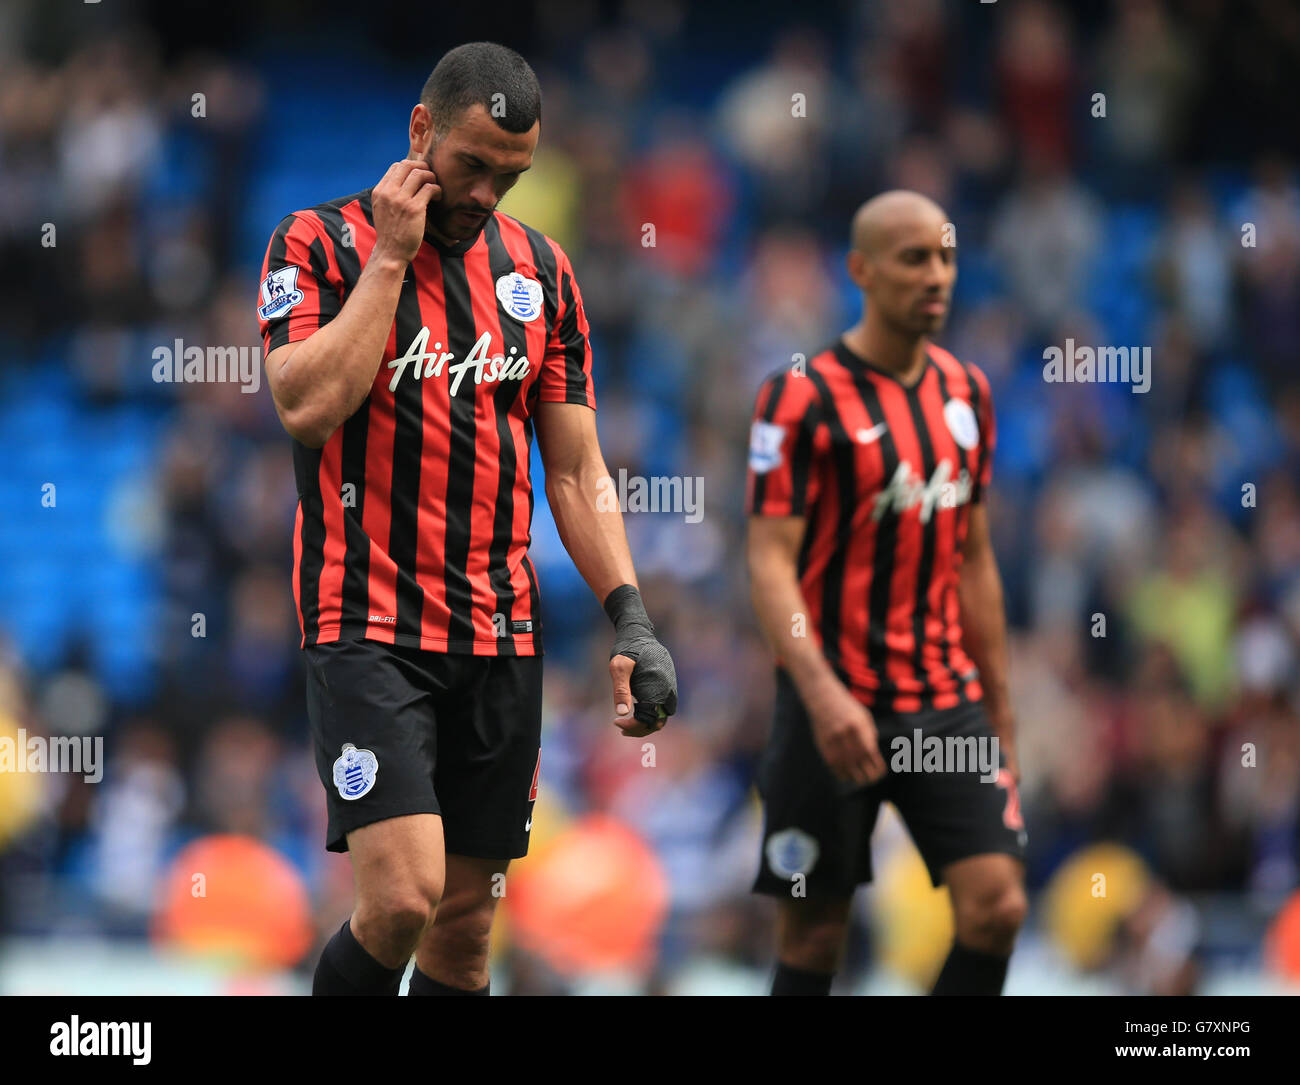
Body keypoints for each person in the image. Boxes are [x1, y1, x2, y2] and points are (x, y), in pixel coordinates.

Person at [256, 42, 677, 996]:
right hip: (368, 627)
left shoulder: (544, 274)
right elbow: (304, 405)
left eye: (511, 175)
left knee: (464, 932)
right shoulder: (314, 244)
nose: (489, 192)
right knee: (403, 897)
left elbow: (574, 469)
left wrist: (632, 615)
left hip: (499, 633)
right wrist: (394, 258)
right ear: (421, 131)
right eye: (472, 164)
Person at [745, 190, 1026, 995]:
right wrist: (824, 694)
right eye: (913, 259)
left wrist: (999, 707)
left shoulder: (968, 392)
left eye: (945, 256)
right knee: (815, 930)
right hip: (830, 700)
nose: (936, 275)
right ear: (861, 270)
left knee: (997, 905)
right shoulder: (800, 395)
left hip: (943, 695)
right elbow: (768, 560)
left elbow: (974, 558)